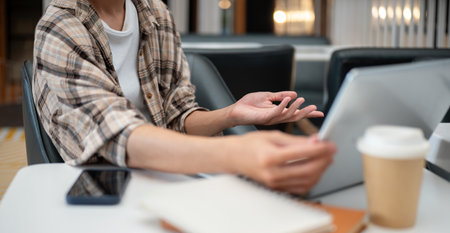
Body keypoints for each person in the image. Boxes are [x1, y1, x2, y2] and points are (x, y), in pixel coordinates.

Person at [33, 0, 336, 195]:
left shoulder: (155, 14)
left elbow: (177, 117)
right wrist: (235, 154)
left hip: (167, 179)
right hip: (104, 190)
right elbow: (115, 134)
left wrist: (232, 113)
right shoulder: (59, 28)